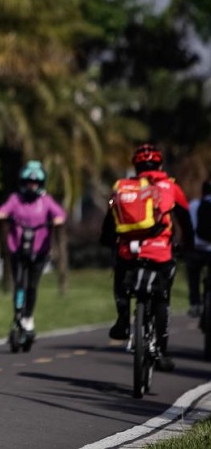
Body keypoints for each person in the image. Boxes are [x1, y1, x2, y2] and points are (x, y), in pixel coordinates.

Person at [100, 143, 193, 372]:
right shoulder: (170, 187)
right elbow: (185, 220)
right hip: (160, 251)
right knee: (162, 298)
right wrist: (186, 246)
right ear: (159, 164)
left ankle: (122, 319)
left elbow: (110, 222)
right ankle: (161, 350)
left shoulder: (124, 188)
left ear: (136, 166)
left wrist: (107, 242)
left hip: (128, 251)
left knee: (121, 277)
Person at [0, 160, 67, 335]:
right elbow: (2, 211)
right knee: (18, 282)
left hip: (39, 250)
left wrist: (56, 221)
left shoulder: (46, 201)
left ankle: (28, 316)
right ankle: (17, 314)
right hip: (17, 248)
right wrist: (1, 215)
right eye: (29, 182)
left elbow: (60, 215)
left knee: (32, 285)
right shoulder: (15, 199)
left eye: (35, 183)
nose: (32, 186)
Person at [185, 180, 211, 317]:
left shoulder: (194, 205)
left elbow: (187, 227)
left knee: (193, 275)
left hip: (196, 250)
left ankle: (194, 304)